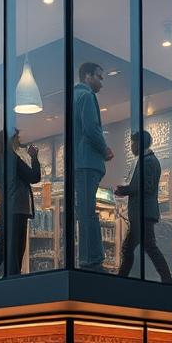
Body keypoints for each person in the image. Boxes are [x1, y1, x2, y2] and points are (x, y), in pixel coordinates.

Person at [0, 129, 41, 279]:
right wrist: (34, 157)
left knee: (6, 244)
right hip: (18, 207)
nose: (19, 141)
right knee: (17, 246)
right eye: (17, 138)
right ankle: (12, 277)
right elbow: (34, 177)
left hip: (5, 207)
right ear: (11, 140)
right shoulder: (12, 159)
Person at [115, 130, 172, 283]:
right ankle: (121, 280)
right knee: (132, 248)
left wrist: (124, 190)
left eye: (133, 143)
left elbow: (144, 186)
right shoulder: (147, 160)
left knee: (146, 247)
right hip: (143, 213)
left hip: (143, 213)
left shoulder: (148, 162)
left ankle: (167, 280)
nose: (131, 146)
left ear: (139, 143)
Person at [72, 62, 113, 270]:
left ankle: (87, 257)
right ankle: (92, 258)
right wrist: (105, 149)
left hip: (78, 163)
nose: (101, 82)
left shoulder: (72, 97)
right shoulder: (87, 96)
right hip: (88, 161)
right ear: (87, 76)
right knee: (88, 211)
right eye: (99, 77)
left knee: (84, 210)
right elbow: (91, 128)